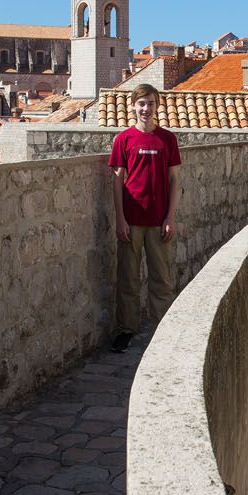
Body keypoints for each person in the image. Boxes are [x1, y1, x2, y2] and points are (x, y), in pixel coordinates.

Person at [109, 84, 181, 353]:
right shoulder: (124, 140)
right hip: (131, 220)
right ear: (133, 107)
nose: (145, 109)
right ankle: (126, 329)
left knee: (161, 278)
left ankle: (163, 328)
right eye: (141, 104)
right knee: (127, 277)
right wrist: (120, 219)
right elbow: (117, 183)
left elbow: (174, 180)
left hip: (159, 220)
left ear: (157, 106)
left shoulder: (167, 139)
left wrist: (170, 217)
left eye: (150, 104)